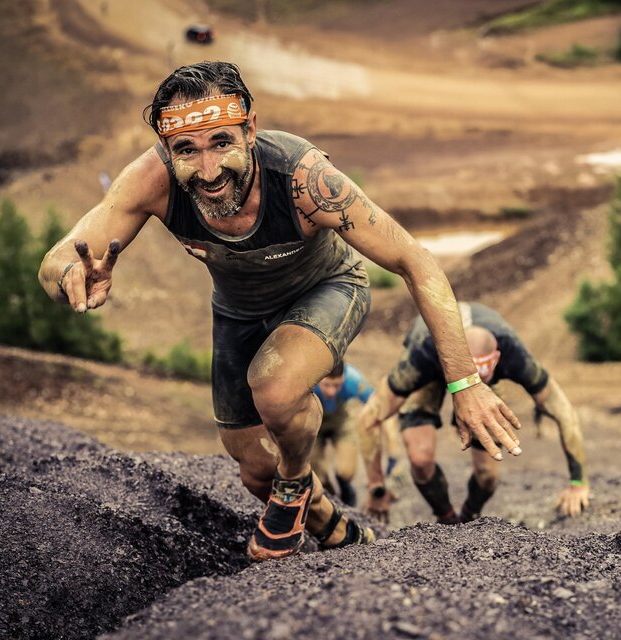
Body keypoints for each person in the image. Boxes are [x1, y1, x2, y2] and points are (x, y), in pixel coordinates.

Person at [38, 61, 522, 561]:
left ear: (250, 130)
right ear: (166, 148)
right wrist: (70, 277)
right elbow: (58, 259)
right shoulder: (149, 180)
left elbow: (415, 261)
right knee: (254, 470)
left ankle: (294, 482)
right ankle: (338, 531)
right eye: (186, 150)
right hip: (238, 311)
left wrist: (464, 383)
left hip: (328, 288)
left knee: (275, 388)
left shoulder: (304, 179)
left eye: (221, 143)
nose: (208, 171)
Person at [360, 302, 589, 524]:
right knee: (420, 459)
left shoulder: (513, 353)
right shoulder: (423, 354)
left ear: (496, 360)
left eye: (479, 377)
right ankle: (447, 519)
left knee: (488, 475)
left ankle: (469, 515)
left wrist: (578, 483)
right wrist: (376, 487)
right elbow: (369, 417)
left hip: (472, 374)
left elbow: (564, 412)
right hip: (437, 365)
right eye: (469, 379)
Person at [312, 359, 373, 506]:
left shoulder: (353, 379)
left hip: (341, 421)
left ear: (343, 378)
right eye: (327, 385)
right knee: (313, 472)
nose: (332, 392)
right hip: (314, 421)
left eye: (337, 385)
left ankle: (347, 493)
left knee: (346, 471)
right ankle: (327, 495)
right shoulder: (308, 380)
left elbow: (377, 403)